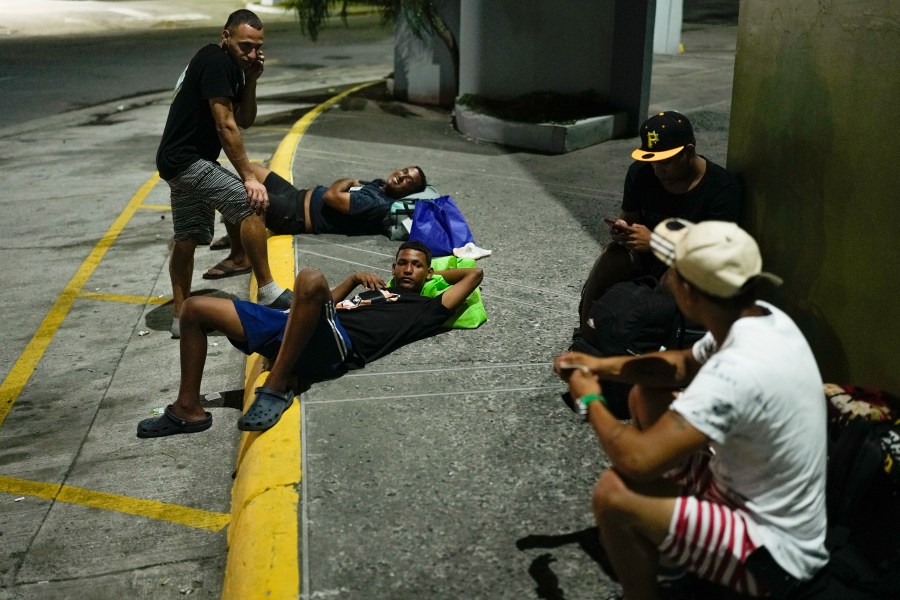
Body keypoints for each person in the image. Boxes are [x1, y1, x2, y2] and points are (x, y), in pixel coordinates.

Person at [555, 219, 828, 599]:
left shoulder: (736, 371)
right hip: (743, 484)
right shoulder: (759, 317)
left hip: (776, 556)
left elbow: (636, 461)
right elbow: (682, 364)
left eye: (673, 271)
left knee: (614, 494)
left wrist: (589, 396)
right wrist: (600, 365)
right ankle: (678, 553)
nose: (666, 277)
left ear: (688, 291)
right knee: (645, 394)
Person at [137, 241, 483, 437]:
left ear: (428, 272)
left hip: (338, 344)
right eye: (403, 264)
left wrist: (437, 270)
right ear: (392, 268)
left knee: (309, 277)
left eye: (417, 266)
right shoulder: (374, 293)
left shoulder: (425, 307)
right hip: (294, 325)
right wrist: (349, 281)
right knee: (195, 308)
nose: (408, 270)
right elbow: (310, 305)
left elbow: (474, 273)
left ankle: (278, 384)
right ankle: (187, 410)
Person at [155, 9, 290, 340]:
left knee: (187, 237)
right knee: (252, 204)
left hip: (179, 161)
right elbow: (225, 123)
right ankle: (269, 290)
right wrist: (248, 176)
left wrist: (253, 81)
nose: (252, 53)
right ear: (226, 36)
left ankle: (181, 319)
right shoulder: (215, 60)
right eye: (245, 45)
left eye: (258, 47)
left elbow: (245, 118)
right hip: (188, 160)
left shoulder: (238, 70)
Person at [578, 111, 741, 327]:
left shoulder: (722, 188)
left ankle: (652, 338)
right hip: (647, 260)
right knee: (612, 256)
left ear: (688, 151)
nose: (657, 169)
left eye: (665, 162)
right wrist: (623, 231)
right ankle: (587, 329)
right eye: (652, 161)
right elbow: (630, 217)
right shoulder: (641, 173)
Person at [204, 163, 427, 277]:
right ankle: (239, 229)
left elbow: (332, 196)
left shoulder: (376, 202)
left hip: (295, 215)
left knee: (239, 193)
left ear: (409, 192)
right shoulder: (381, 186)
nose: (402, 175)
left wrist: (347, 180)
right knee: (249, 169)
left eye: (408, 180)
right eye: (405, 170)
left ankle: (241, 257)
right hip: (296, 195)